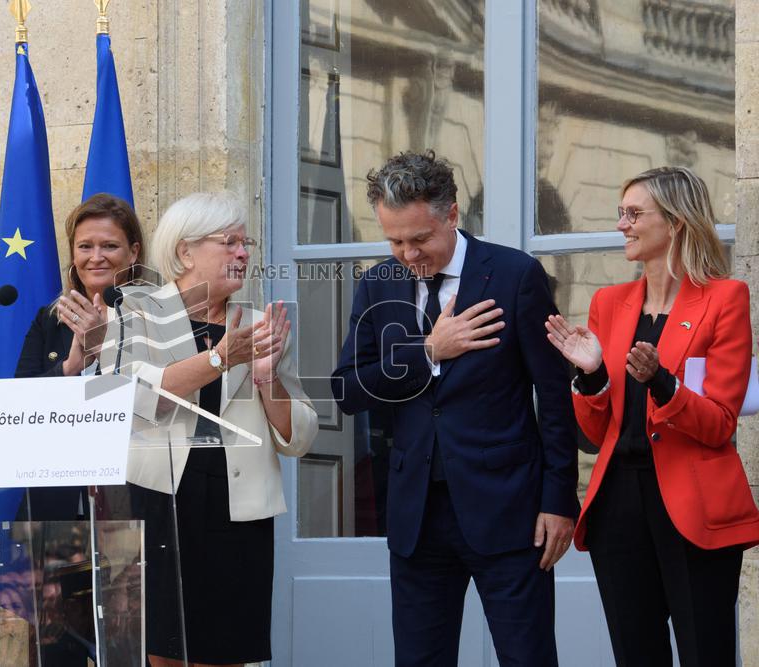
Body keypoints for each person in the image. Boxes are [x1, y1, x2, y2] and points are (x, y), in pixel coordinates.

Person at [332, 151, 578, 666]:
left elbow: (554, 397)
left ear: (451, 214)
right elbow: (348, 390)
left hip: (509, 512)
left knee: (528, 658)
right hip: (416, 518)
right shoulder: (378, 283)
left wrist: (559, 500)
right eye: (395, 241)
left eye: (419, 239)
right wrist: (428, 351)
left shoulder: (515, 275)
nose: (408, 254)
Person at [545, 166, 759, 666]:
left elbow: (720, 424)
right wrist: (591, 376)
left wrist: (663, 383)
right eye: (621, 213)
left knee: (706, 654)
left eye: (634, 214)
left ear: (676, 222)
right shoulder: (608, 302)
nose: (622, 224)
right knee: (635, 654)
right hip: (617, 506)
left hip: (693, 505)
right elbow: (596, 432)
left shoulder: (725, 299)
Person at [103, 191, 317, 667]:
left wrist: (268, 379)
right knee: (161, 650)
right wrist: (220, 358)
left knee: (226, 652)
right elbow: (130, 400)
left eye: (246, 243)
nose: (243, 253)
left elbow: (299, 437)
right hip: (160, 499)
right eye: (229, 242)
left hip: (237, 505)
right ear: (185, 252)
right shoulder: (135, 313)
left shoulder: (260, 325)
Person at [15, 193, 144, 520]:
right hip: (54, 502)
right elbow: (17, 404)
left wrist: (105, 350)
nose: (96, 257)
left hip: (131, 497)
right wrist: (70, 367)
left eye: (109, 246)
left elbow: (162, 404)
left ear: (133, 252)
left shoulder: (157, 318)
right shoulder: (49, 319)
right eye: (85, 246)